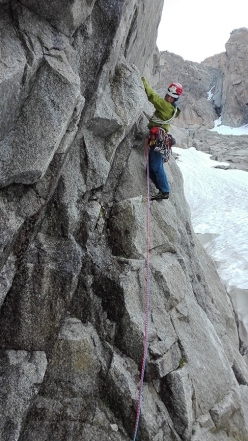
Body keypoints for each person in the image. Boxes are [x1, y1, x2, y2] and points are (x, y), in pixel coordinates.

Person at [141, 77, 183, 200]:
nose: (168, 98)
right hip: (159, 138)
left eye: (171, 97)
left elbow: (153, 97)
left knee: (155, 165)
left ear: (175, 98)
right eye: (168, 96)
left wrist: (143, 81)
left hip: (158, 139)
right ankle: (161, 188)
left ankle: (164, 191)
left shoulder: (166, 106)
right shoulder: (173, 108)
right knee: (151, 166)